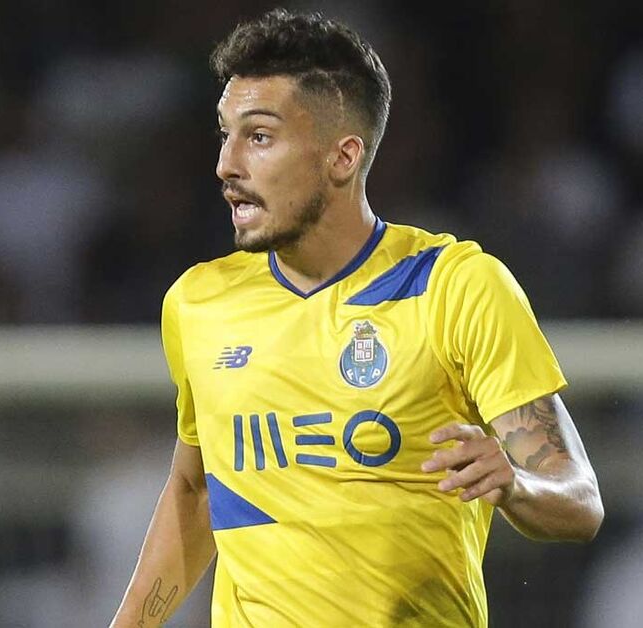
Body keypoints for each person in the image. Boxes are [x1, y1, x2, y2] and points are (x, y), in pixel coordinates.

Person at [111, 9, 603, 627]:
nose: (226, 165)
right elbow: (196, 490)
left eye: (258, 137)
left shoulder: (455, 287)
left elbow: (579, 500)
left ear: (343, 157)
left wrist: (516, 484)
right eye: (225, 134)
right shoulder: (199, 301)